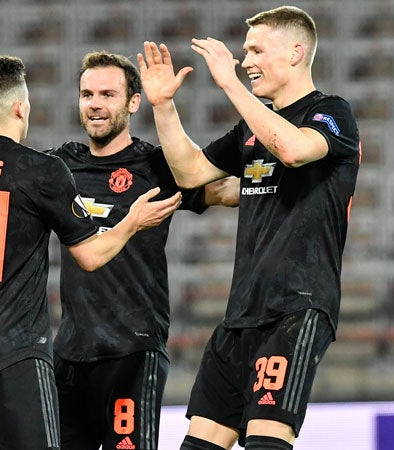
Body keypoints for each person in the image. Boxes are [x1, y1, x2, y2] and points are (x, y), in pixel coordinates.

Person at [0, 52, 239, 450]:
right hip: (70, 354)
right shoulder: (61, 164)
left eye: (108, 94)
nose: (95, 103)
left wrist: (271, 172)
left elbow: (226, 190)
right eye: (87, 94)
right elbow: (2, 167)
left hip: (133, 351)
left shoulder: (158, 167)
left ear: (133, 103)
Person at [138, 6, 360, 450]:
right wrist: (163, 107)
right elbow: (190, 172)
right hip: (241, 312)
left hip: (297, 307)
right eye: (245, 52)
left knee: (266, 440)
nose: (245, 61)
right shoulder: (250, 128)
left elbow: (294, 150)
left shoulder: (331, 112)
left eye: (257, 50)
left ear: (296, 53)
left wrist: (229, 84)